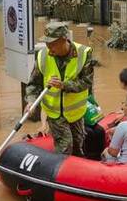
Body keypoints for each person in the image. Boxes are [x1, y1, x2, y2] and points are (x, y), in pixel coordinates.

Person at [25, 21, 93, 155]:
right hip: (54, 113)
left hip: (75, 113)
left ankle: (77, 172)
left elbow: (87, 81)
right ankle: (58, 173)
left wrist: (64, 85)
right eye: (47, 44)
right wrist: (31, 101)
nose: (49, 48)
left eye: (52, 44)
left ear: (63, 39)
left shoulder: (83, 54)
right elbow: (34, 84)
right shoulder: (43, 56)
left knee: (78, 146)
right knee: (64, 147)